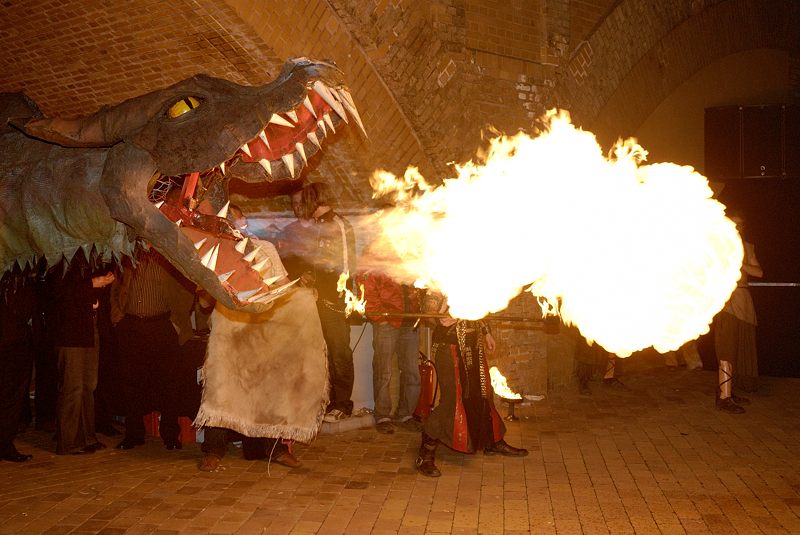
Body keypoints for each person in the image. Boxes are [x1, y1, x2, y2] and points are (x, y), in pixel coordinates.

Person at [196, 227, 326, 472]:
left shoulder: (265, 249)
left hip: (262, 333)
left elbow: (283, 286)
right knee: (221, 388)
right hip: (229, 334)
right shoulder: (215, 252)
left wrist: (303, 297)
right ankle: (213, 450)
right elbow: (204, 301)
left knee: (268, 387)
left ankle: (274, 449)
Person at [415, 292, 527, 477]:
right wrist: (443, 315)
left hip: (473, 345)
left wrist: (486, 332)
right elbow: (430, 310)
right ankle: (425, 453)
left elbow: (478, 305)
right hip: (448, 347)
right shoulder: (435, 276)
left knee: (484, 393)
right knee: (452, 401)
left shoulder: (470, 273)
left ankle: (493, 440)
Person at [278, 183, 357, 423]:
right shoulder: (319, 226)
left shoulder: (339, 225)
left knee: (339, 352)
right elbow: (318, 262)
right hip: (317, 299)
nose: (301, 207)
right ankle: (327, 401)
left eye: (305, 202)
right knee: (323, 353)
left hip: (334, 301)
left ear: (315, 200)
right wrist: (310, 277)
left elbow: (345, 266)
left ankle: (343, 404)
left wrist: (335, 296)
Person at [111, 248, 193, 450]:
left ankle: (170, 435)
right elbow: (116, 285)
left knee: (169, 384)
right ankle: (134, 434)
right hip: (131, 326)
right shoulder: (128, 254)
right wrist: (117, 316)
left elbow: (186, 286)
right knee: (131, 383)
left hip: (161, 325)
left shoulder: (169, 256)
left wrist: (176, 321)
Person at [48, 259, 115, 455]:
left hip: (90, 328)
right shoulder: (62, 259)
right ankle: (68, 442)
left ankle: (87, 437)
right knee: (73, 387)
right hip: (70, 332)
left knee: (88, 386)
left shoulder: (92, 258)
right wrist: (93, 283)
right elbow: (58, 293)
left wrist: (103, 282)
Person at [357, 267, 422, 434]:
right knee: (383, 370)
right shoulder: (377, 253)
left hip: (411, 321)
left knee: (412, 371)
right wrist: (380, 318)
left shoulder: (411, 253)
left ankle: (405, 415)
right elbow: (366, 287)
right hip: (387, 323)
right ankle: (383, 416)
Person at [714, 215, 762, 413]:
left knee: (738, 348)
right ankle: (723, 397)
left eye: (741, 223)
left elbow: (759, 272)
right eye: (733, 222)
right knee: (727, 348)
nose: (737, 226)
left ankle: (729, 391)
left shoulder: (748, 247)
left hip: (743, 300)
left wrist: (739, 263)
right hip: (726, 301)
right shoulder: (717, 245)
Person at [0, 279, 36, 462]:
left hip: (15, 340)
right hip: (12, 341)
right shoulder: (17, 278)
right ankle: (4, 444)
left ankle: (5, 443)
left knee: (12, 397)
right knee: (10, 397)